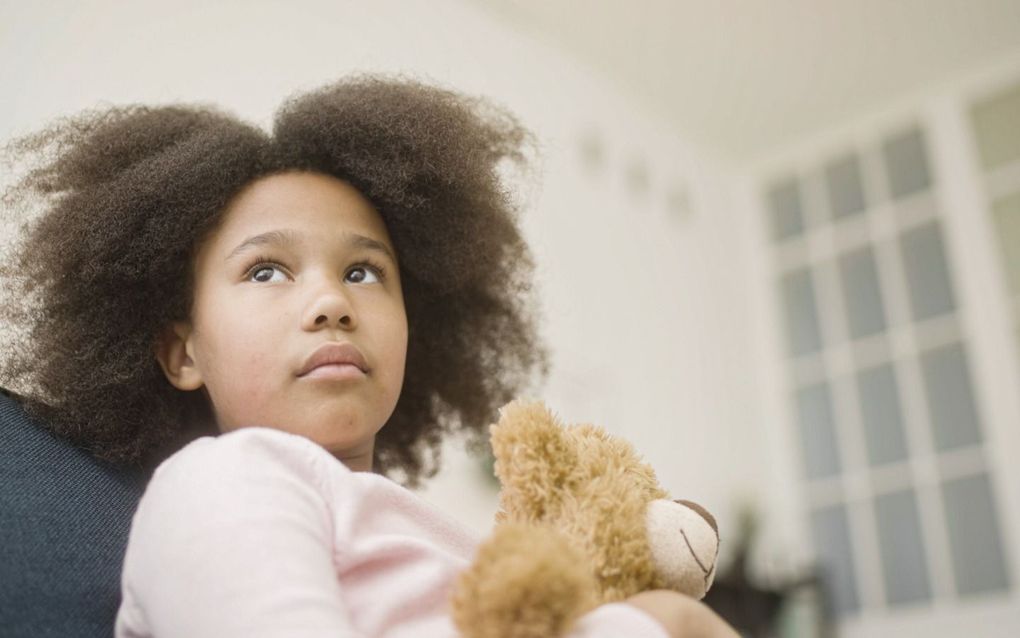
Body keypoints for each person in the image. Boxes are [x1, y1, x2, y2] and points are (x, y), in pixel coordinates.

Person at [0, 76, 737, 638]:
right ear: (182, 351)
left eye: (363, 272)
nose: (331, 301)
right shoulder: (221, 481)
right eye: (266, 271)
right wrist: (654, 624)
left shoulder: (450, 535)